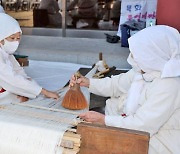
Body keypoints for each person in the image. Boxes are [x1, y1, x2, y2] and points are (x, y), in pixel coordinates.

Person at [70, 25, 180, 153]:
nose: (132, 58)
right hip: (136, 128)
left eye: (137, 54)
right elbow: (116, 85)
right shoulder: (144, 70)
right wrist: (88, 82)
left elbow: (142, 125)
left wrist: (104, 120)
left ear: (152, 55)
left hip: (158, 141)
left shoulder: (169, 85)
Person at [0, 13, 59, 104]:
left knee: (24, 91)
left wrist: (29, 83)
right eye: (12, 38)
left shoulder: (6, 52)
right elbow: (11, 78)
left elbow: (18, 71)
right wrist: (43, 91)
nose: (16, 42)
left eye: (18, 38)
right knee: (17, 95)